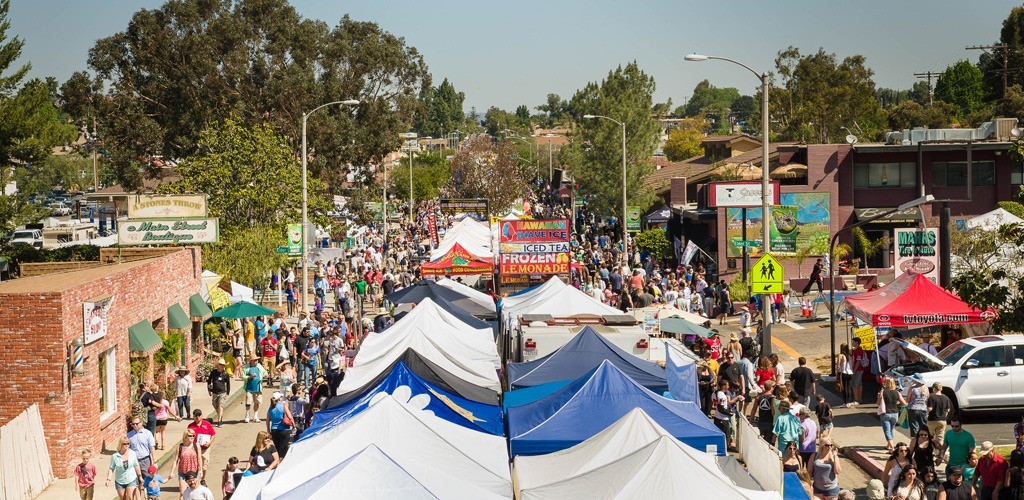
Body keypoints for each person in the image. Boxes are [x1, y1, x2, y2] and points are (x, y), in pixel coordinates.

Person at [171, 429, 203, 500]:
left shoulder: (196, 445)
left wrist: (201, 470)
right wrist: (172, 472)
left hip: (194, 472)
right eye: (190, 436)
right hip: (183, 472)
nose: (192, 437)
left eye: (193, 435)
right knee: (182, 492)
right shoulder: (180, 447)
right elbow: (175, 460)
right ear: (185, 437)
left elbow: (199, 459)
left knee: (195, 491)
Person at [186, 409, 216, 483]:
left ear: (202, 416)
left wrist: (209, 443)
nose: (197, 417)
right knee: (194, 465)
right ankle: (194, 480)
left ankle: (203, 479)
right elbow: (187, 437)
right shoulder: (190, 426)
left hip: (205, 448)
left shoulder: (207, 424)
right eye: (196, 415)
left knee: (204, 465)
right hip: (195, 449)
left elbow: (213, 434)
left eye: (199, 415)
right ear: (193, 416)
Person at [880, 378, 906, 453]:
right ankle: (888, 445)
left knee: (887, 430)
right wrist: (898, 405)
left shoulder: (883, 392)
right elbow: (904, 403)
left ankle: (892, 447)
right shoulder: (897, 393)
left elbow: (878, 403)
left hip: (885, 413)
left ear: (886, 383)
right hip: (895, 413)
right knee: (891, 429)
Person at [266, 391, 295, 458]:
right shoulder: (283, 406)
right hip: (285, 430)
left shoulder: (270, 408)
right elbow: (290, 417)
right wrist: (294, 425)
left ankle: (277, 461)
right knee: (284, 449)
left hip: (274, 430)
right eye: (281, 397)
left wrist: (268, 430)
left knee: (278, 448)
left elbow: (267, 420)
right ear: (279, 399)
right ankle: (281, 463)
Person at [207, 359, 230, 427]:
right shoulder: (213, 372)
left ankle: (219, 421)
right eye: (221, 365)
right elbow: (209, 381)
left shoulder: (225, 374)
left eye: (223, 365)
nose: (222, 366)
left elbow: (228, 384)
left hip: (222, 392)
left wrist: (227, 393)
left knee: (220, 406)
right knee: (215, 405)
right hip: (214, 392)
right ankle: (220, 415)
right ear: (218, 365)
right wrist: (209, 390)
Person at [928, 383, 953, 447]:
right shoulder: (945, 398)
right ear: (941, 389)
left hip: (932, 420)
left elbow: (929, 409)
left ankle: (931, 450)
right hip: (942, 420)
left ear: (934, 389)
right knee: (940, 438)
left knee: (929, 436)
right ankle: (941, 454)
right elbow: (948, 410)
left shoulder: (931, 397)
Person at [243, 356, 263, 423]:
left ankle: (255, 416)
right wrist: (250, 376)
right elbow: (243, 376)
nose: (256, 361)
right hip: (249, 388)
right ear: (251, 361)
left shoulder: (259, 366)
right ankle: (247, 415)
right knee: (248, 403)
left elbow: (264, 372)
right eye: (255, 360)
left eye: (257, 360)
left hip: (258, 388)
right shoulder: (246, 367)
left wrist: (266, 375)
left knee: (256, 402)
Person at [850, 337, 869, 406]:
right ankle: (859, 398)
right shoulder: (856, 350)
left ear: (857, 342)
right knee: (859, 384)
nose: (852, 343)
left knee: (854, 384)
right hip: (859, 369)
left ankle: (856, 399)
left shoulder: (858, 351)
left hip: (858, 370)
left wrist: (854, 371)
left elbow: (858, 361)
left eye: (853, 342)